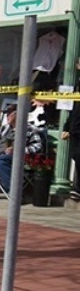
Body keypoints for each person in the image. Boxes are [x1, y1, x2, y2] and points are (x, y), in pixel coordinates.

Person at [0, 106, 45, 198]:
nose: (7, 117)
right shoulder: (4, 128)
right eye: (6, 114)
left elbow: (37, 147)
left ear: (18, 115)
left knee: (0, 162)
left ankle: (15, 194)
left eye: (9, 114)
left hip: (18, 157)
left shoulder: (30, 129)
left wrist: (18, 150)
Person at [63, 58, 80, 201]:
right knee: (77, 156)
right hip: (75, 129)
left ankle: (77, 189)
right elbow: (71, 109)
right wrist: (66, 127)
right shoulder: (76, 85)